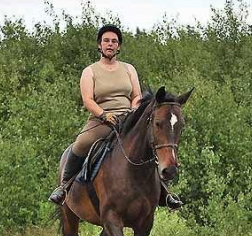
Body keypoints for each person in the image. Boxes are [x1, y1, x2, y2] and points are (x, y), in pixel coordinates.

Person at [49, 24, 182, 210]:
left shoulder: (129, 69)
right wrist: (104, 114)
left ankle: (164, 193)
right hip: (101, 119)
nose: (110, 44)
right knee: (81, 143)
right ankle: (64, 186)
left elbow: (137, 95)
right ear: (99, 45)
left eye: (114, 41)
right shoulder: (90, 71)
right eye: (106, 41)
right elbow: (88, 100)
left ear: (118, 46)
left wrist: (134, 108)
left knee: (148, 143)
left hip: (128, 118)